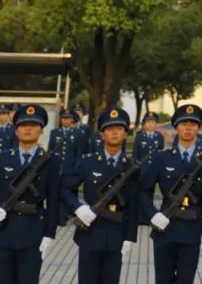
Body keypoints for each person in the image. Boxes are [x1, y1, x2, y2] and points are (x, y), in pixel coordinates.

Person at [0, 104, 59, 284]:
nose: (28, 129)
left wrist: (49, 233)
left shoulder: (50, 161)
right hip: (4, 230)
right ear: (16, 131)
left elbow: (53, 199)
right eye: (23, 125)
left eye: (33, 125)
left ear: (41, 130)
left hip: (34, 231)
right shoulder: (1, 158)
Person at [62, 106, 140, 284]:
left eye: (119, 129)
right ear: (101, 135)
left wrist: (130, 236)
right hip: (91, 231)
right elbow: (65, 188)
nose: (114, 133)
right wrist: (78, 208)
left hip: (117, 233)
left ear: (125, 134)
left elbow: (134, 204)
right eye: (109, 129)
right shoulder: (87, 162)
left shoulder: (131, 166)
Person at [138, 103, 202, 284]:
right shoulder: (161, 158)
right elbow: (143, 190)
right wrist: (153, 214)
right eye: (183, 123)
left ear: (199, 127)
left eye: (193, 124)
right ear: (176, 127)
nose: (188, 128)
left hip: (192, 230)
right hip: (166, 229)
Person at [49, 109, 79, 225]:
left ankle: (63, 215)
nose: (65, 120)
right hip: (56, 167)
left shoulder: (76, 133)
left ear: (71, 120)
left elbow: (78, 154)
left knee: (66, 192)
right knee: (55, 191)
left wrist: (76, 169)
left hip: (69, 168)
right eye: (63, 118)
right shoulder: (54, 132)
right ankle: (56, 215)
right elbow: (50, 149)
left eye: (68, 118)